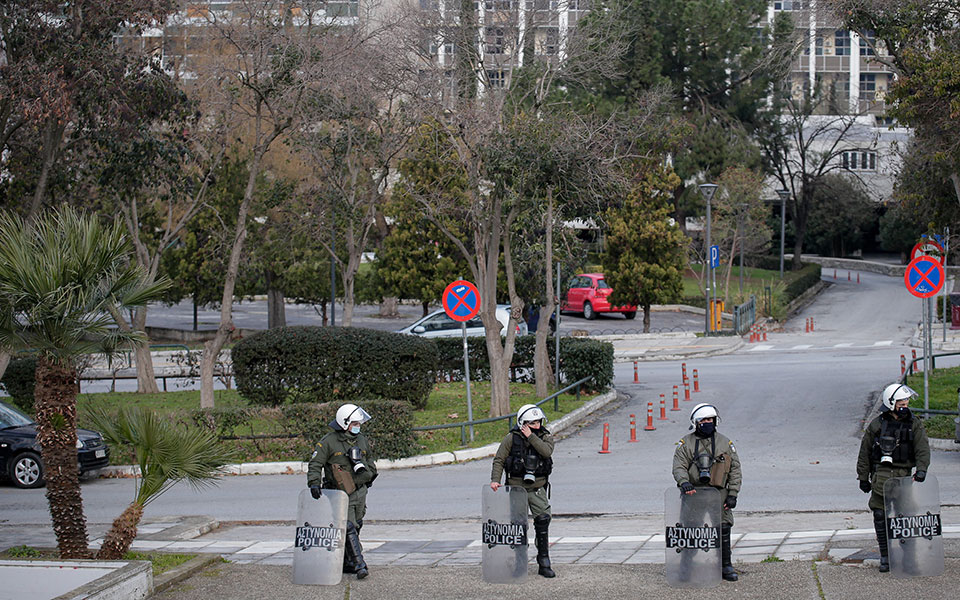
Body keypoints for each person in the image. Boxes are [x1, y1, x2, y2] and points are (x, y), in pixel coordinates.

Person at [856, 383, 930, 573]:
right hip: (881, 475)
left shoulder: (914, 424)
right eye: (901, 400)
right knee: (880, 515)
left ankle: (909, 559)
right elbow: (864, 452)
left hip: (904, 475)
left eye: (906, 400)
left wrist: (921, 470)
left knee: (906, 517)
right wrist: (863, 477)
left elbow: (922, 448)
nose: (905, 403)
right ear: (891, 403)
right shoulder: (877, 425)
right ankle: (885, 557)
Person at [307, 403, 378, 579]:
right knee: (349, 526)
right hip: (340, 493)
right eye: (354, 423)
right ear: (344, 423)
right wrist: (314, 483)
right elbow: (315, 464)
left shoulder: (361, 439)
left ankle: (347, 561)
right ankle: (359, 563)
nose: (357, 427)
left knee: (358, 523)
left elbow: (368, 459)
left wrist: (370, 476)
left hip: (360, 491)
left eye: (358, 424)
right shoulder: (329, 442)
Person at [672, 403, 742, 582]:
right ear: (695, 422)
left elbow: (735, 469)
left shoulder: (724, 443)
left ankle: (725, 565)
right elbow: (678, 466)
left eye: (709, 419)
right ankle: (686, 565)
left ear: (715, 421)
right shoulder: (686, 444)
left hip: (719, 493)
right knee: (691, 529)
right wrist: (684, 482)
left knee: (723, 528)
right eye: (703, 420)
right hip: (693, 492)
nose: (706, 423)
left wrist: (733, 493)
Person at [490, 404, 556, 578]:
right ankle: (520, 563)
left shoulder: (545, 436)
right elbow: (499, 460)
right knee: (518, 526)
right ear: (523, 423)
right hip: (517, 488)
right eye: (531, 423)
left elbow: (546, 452)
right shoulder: (511, 438)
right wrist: (495, 480)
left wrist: (532, 437)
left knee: (543, 520)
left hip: (537, 488)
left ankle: (544, 562)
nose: (536, 426)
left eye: (538, 422)